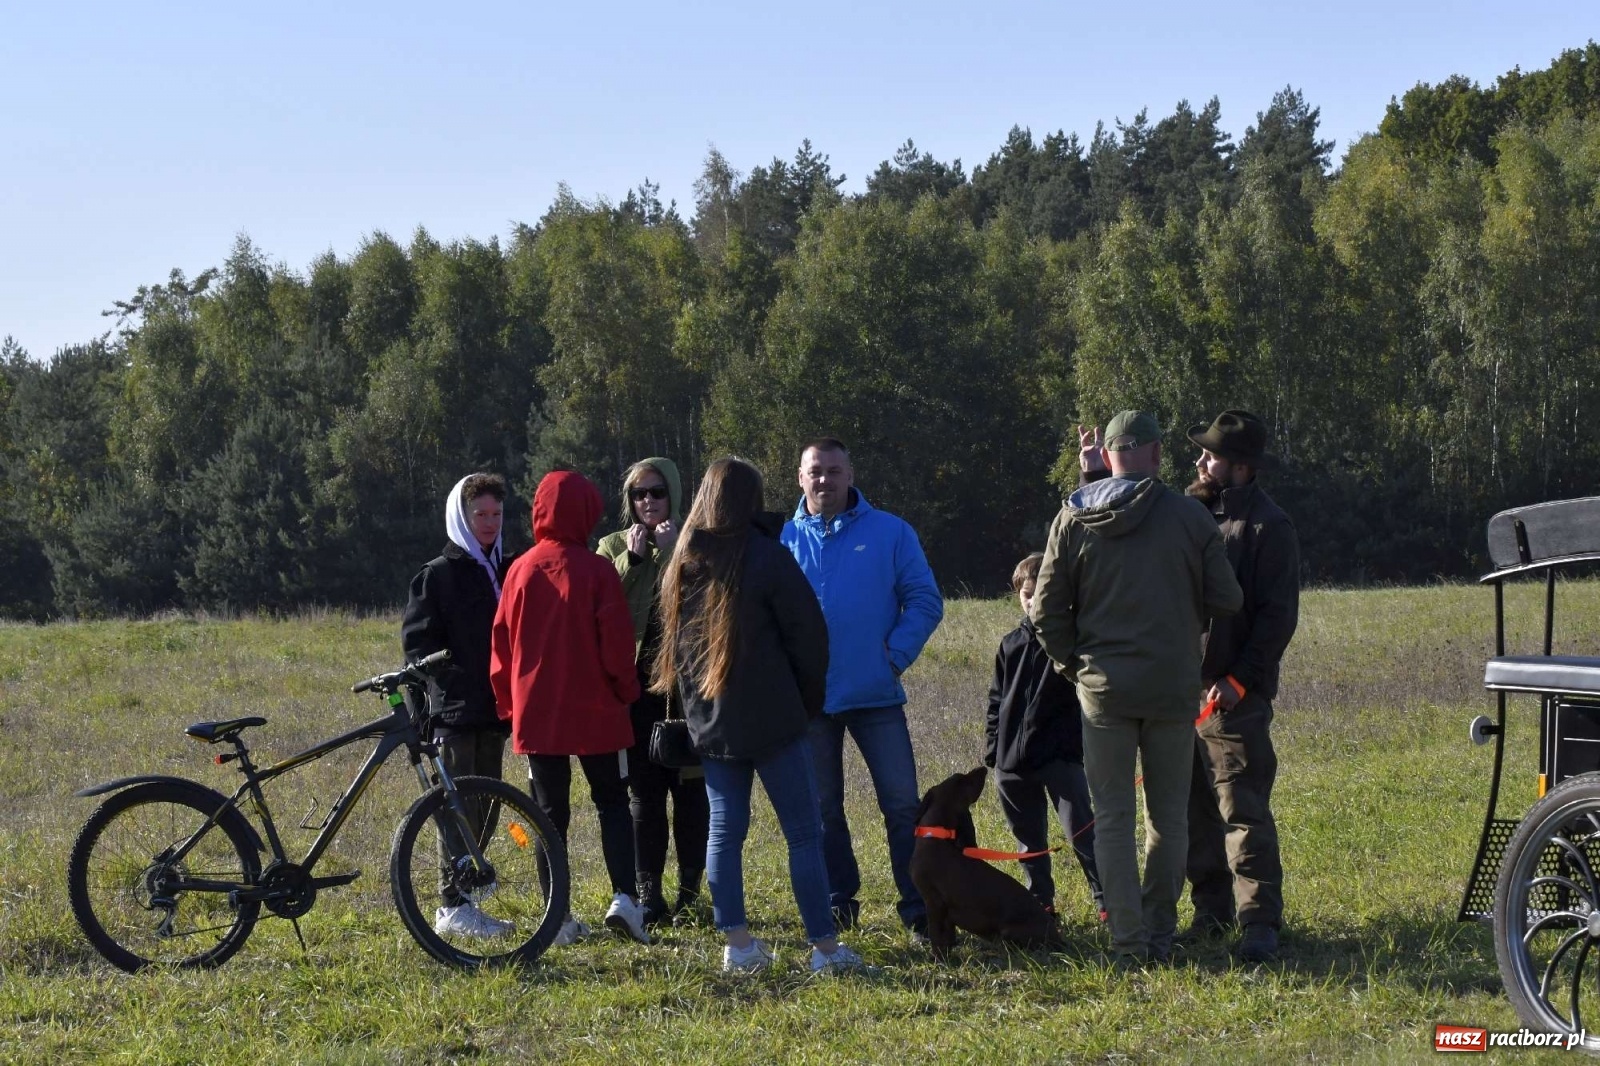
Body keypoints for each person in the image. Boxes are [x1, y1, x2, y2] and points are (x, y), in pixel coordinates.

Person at [1031, 410, 1242, 964]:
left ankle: (1127, 943)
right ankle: (1158, 932)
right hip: (1172, 687)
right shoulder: (1190, 519)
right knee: (1167, 819)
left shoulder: (1071, 519)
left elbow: (1045, 611)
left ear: (1108, 455)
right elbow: (1228, 599)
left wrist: (1073, 666)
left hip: (1102, 690)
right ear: (1152, 454)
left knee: (1113, 819)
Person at [653, 457, 864, 973]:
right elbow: (810, 639)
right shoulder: (768, 557)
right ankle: (824, 948)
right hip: (774, 721)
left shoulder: (683, 561)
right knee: (803, 833)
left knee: (724, 832)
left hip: (713, 722)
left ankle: (739, 945)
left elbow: (677, 655)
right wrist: (803, 704)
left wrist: (700, 718)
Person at [781, 438, 944, 939]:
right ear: (800, 478)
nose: (825, 480)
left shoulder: (891, 532)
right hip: (809, 702)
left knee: (901, 805)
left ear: (851, 474)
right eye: (816, 471)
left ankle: (918, 906)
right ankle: (837, 902)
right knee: (823, 809)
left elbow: (924, 599)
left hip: (876, 695)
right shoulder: (782, 539)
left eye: (834, 470)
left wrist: (892, 657)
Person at [490, 469, 650, 946]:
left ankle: (555, 917)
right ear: (587, 512)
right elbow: (617, 643)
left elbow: (500, 645)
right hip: (598, 710)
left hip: (540, 715)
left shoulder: (519, 569)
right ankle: (624, 898)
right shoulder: (598, 569)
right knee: (612, 804)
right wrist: (627, 691)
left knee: (547, 815)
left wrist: (508, 708)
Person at [1183, 410, 1301, 963]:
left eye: (1211, 455)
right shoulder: (1192, 514)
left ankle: (1258, 923)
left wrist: (1237, 681)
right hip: (1185, 693)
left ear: (1241, 467)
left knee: (1242, 807)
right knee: (1192, 810)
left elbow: (1278, 618)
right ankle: (1210, 912)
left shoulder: (1269, 528)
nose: (1201, 461)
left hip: (1235, 698)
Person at [401, 472, 516, 940]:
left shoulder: (508, 569)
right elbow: (417, 648)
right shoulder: (437, 575)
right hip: (453, 712)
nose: (488, 523)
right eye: (480, 515)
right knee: (456, 808)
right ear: (461, 517)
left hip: (495, 710)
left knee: (487, 804)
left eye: (495, 514)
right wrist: (444, 690)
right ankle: (451, 905)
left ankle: (466, 900)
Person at [597, 457, 710, 926]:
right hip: (635, 687)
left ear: (675, 493)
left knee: (690, 790)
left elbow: (711, 600)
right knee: (643, 793)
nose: (648, 501)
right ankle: (649, 893)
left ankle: (690, 891)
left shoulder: (699, 540)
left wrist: (676, 554)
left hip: (691, 686)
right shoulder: (611, 546)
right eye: (638, 494)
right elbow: (599, 603)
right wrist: (636, 560)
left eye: (657, 492)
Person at [985, 551, 1105, 922]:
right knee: (1028, 841)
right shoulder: (1011, 644)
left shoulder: (1075, 640)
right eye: (1027, 594)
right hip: (1012, 761)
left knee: (1082, 832)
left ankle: (1108, 903)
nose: (1034, 601)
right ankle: (1041, 907)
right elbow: (996, 699)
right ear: (1018, 595)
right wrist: (993, 750)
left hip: (1060, 757)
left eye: (1043, 593)